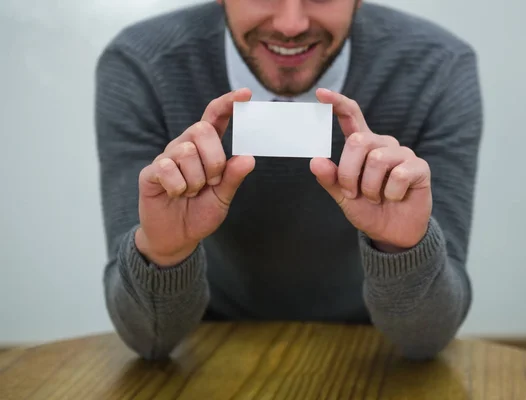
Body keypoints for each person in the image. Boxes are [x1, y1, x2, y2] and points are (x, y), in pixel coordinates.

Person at [95, 0, 483, 361]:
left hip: (371, 356)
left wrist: (403, 250)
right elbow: (150, 341)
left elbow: (427, 340)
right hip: (208, 350)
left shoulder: (439, 67)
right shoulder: (142, 64)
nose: (291, 24)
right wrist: (163, 254)